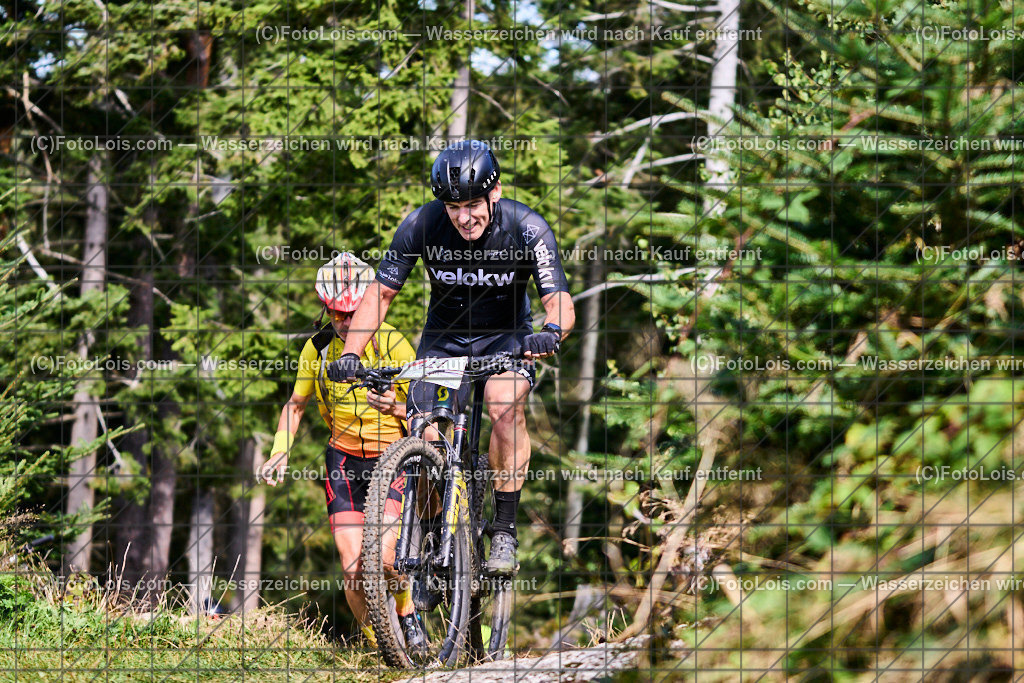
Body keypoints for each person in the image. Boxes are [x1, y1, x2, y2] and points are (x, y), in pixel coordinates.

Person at [326, 140, 575, 575]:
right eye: (453, 206)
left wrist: (551, 332)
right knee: (423, 432)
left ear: (494, 194)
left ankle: (503, 528)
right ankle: (432, 529)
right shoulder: (422, 224)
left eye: (474, 204)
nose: (464, 217)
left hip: (506, 341)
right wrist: (351, 352)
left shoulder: (527, 226)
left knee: (503, 406)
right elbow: (380, 294)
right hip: (444, 342)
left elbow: (558, 299)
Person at [259, 252, 427, 653]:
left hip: (393, 454)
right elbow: (296, 405)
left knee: (384, 561)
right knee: (354, 570)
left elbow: (427, 408)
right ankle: (382, 648)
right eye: (336, 314)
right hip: (344, 460)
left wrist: (396, 407)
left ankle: (407, 613)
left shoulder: (392, 342)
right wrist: (279, 451)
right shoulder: (316, 350)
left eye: (352, 313)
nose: (344, 323)